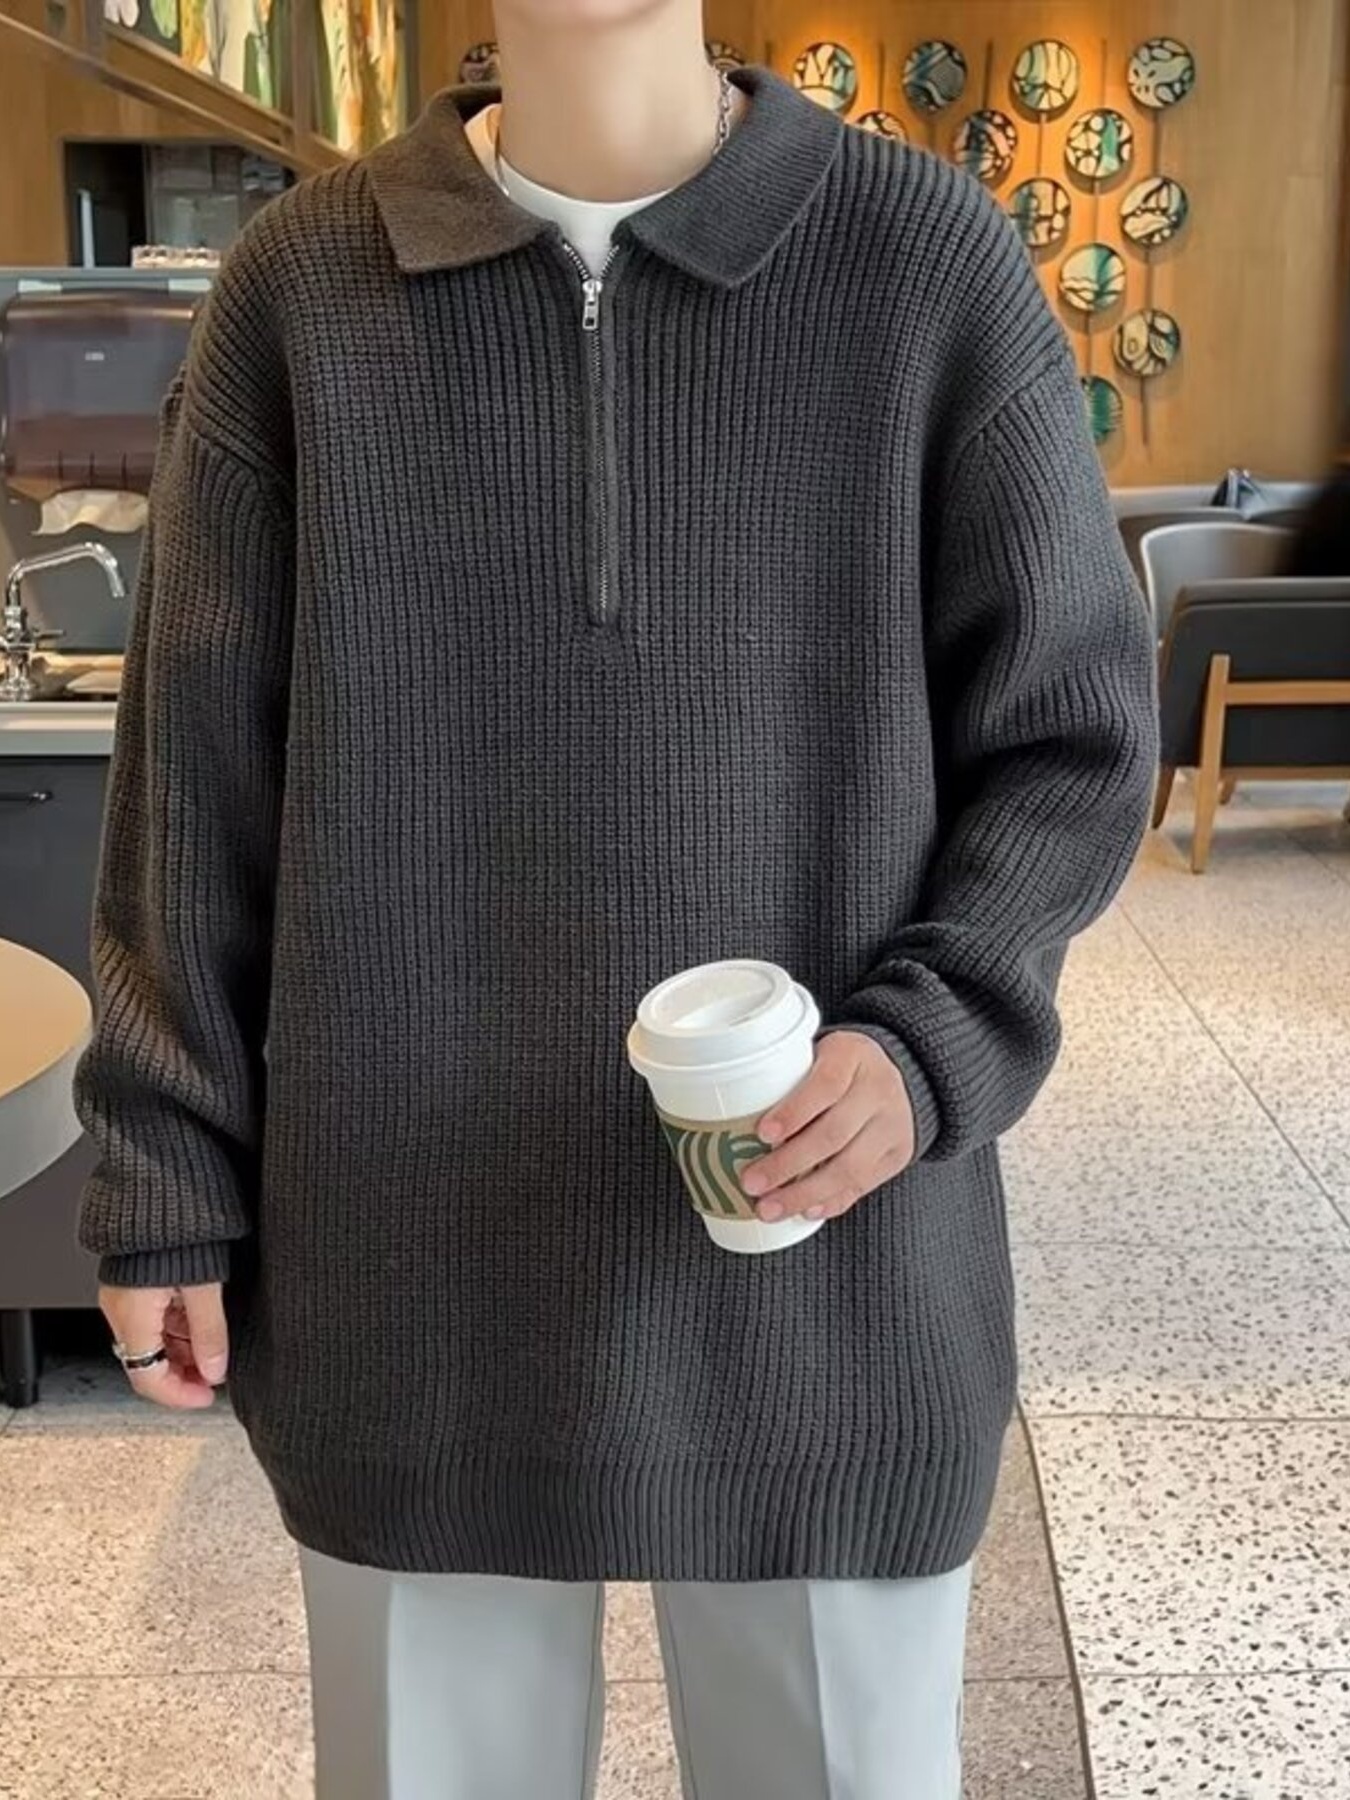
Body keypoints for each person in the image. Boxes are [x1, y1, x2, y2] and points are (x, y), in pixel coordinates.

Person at [72, 3, 1158, 1796]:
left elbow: (1071, 735)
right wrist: (167, 1166)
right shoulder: (300, 292)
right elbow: (190, 785)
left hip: (824, 1250)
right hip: (406, 1266)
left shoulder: (916, 259)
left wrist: (930, 1042)